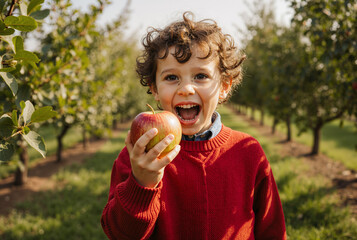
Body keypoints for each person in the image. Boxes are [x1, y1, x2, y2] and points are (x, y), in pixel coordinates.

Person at [101, 12, 287, 240]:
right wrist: (142, 182)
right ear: (155, 89)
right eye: (171, 78)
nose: (186, 89)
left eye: (200, 76)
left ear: (224, 86)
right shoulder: (139, 156)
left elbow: (272, 229)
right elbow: (121, 234)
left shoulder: (248, 152)